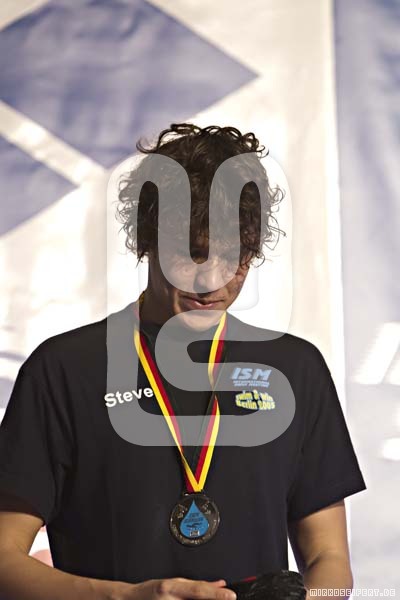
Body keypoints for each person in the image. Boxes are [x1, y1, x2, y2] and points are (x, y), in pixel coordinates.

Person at [0, 123, 367, 600]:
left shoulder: (295, 370)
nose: (211, 281)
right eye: (192, 255)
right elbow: (5, 559)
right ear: (147, 240)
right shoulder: (65, 369)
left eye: (235, 258)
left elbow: (329, 560)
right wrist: (126, 598)